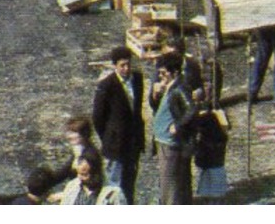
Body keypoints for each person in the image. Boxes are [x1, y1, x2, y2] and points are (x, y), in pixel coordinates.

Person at [92, 46, 146, 203]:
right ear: (115, 65)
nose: (126, 68)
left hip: (133, 143)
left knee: (130, 184)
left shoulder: (137, 79)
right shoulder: (106, 85)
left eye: (129, 64)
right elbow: (97, 118)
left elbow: (137, 109)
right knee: (114, 187)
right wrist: (109, 136)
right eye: (122, 65)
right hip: (115, 146)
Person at [149, 56, 195, 205]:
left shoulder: (179, 88)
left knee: (170, 185)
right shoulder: (170, 86)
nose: (160, 77)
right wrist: (156, 94)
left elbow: (192, 110)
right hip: (163, 141)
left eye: (163, 73)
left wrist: (178, 125)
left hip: (170, 144)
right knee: (168, 183)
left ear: (174, 72)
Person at [188, 89, 229, 201]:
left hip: (214, 150)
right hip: (205, 152)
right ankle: (208, 196)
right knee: (206, 175)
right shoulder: (197, 112)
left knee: (215, 174)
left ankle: (215, 197)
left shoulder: (214, 114)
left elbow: (224, 128)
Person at [58, 148, 126, 206]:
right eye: (80, 174)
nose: (81, 178)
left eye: (86, 175)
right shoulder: (72, 187)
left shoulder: (112, 193)